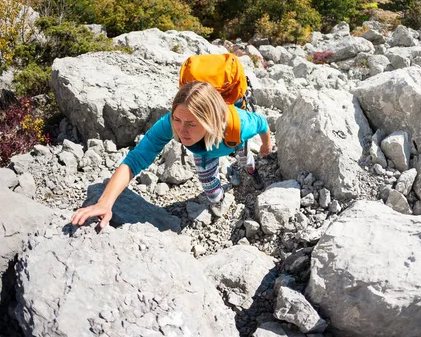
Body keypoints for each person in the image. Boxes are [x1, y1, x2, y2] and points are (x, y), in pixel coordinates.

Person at [71, 80, 272, 229]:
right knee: (211, 189)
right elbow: (135, 159)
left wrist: (266, 145)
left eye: (192, 124)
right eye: (177, 120)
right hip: (204, 150)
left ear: (211, 121)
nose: (182, 131)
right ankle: (218, 199)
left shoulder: (242, 124)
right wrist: (104, 202)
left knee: (246, 160)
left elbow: (262, 123)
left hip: (232, 140)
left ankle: (252, 173)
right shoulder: (172, 122)